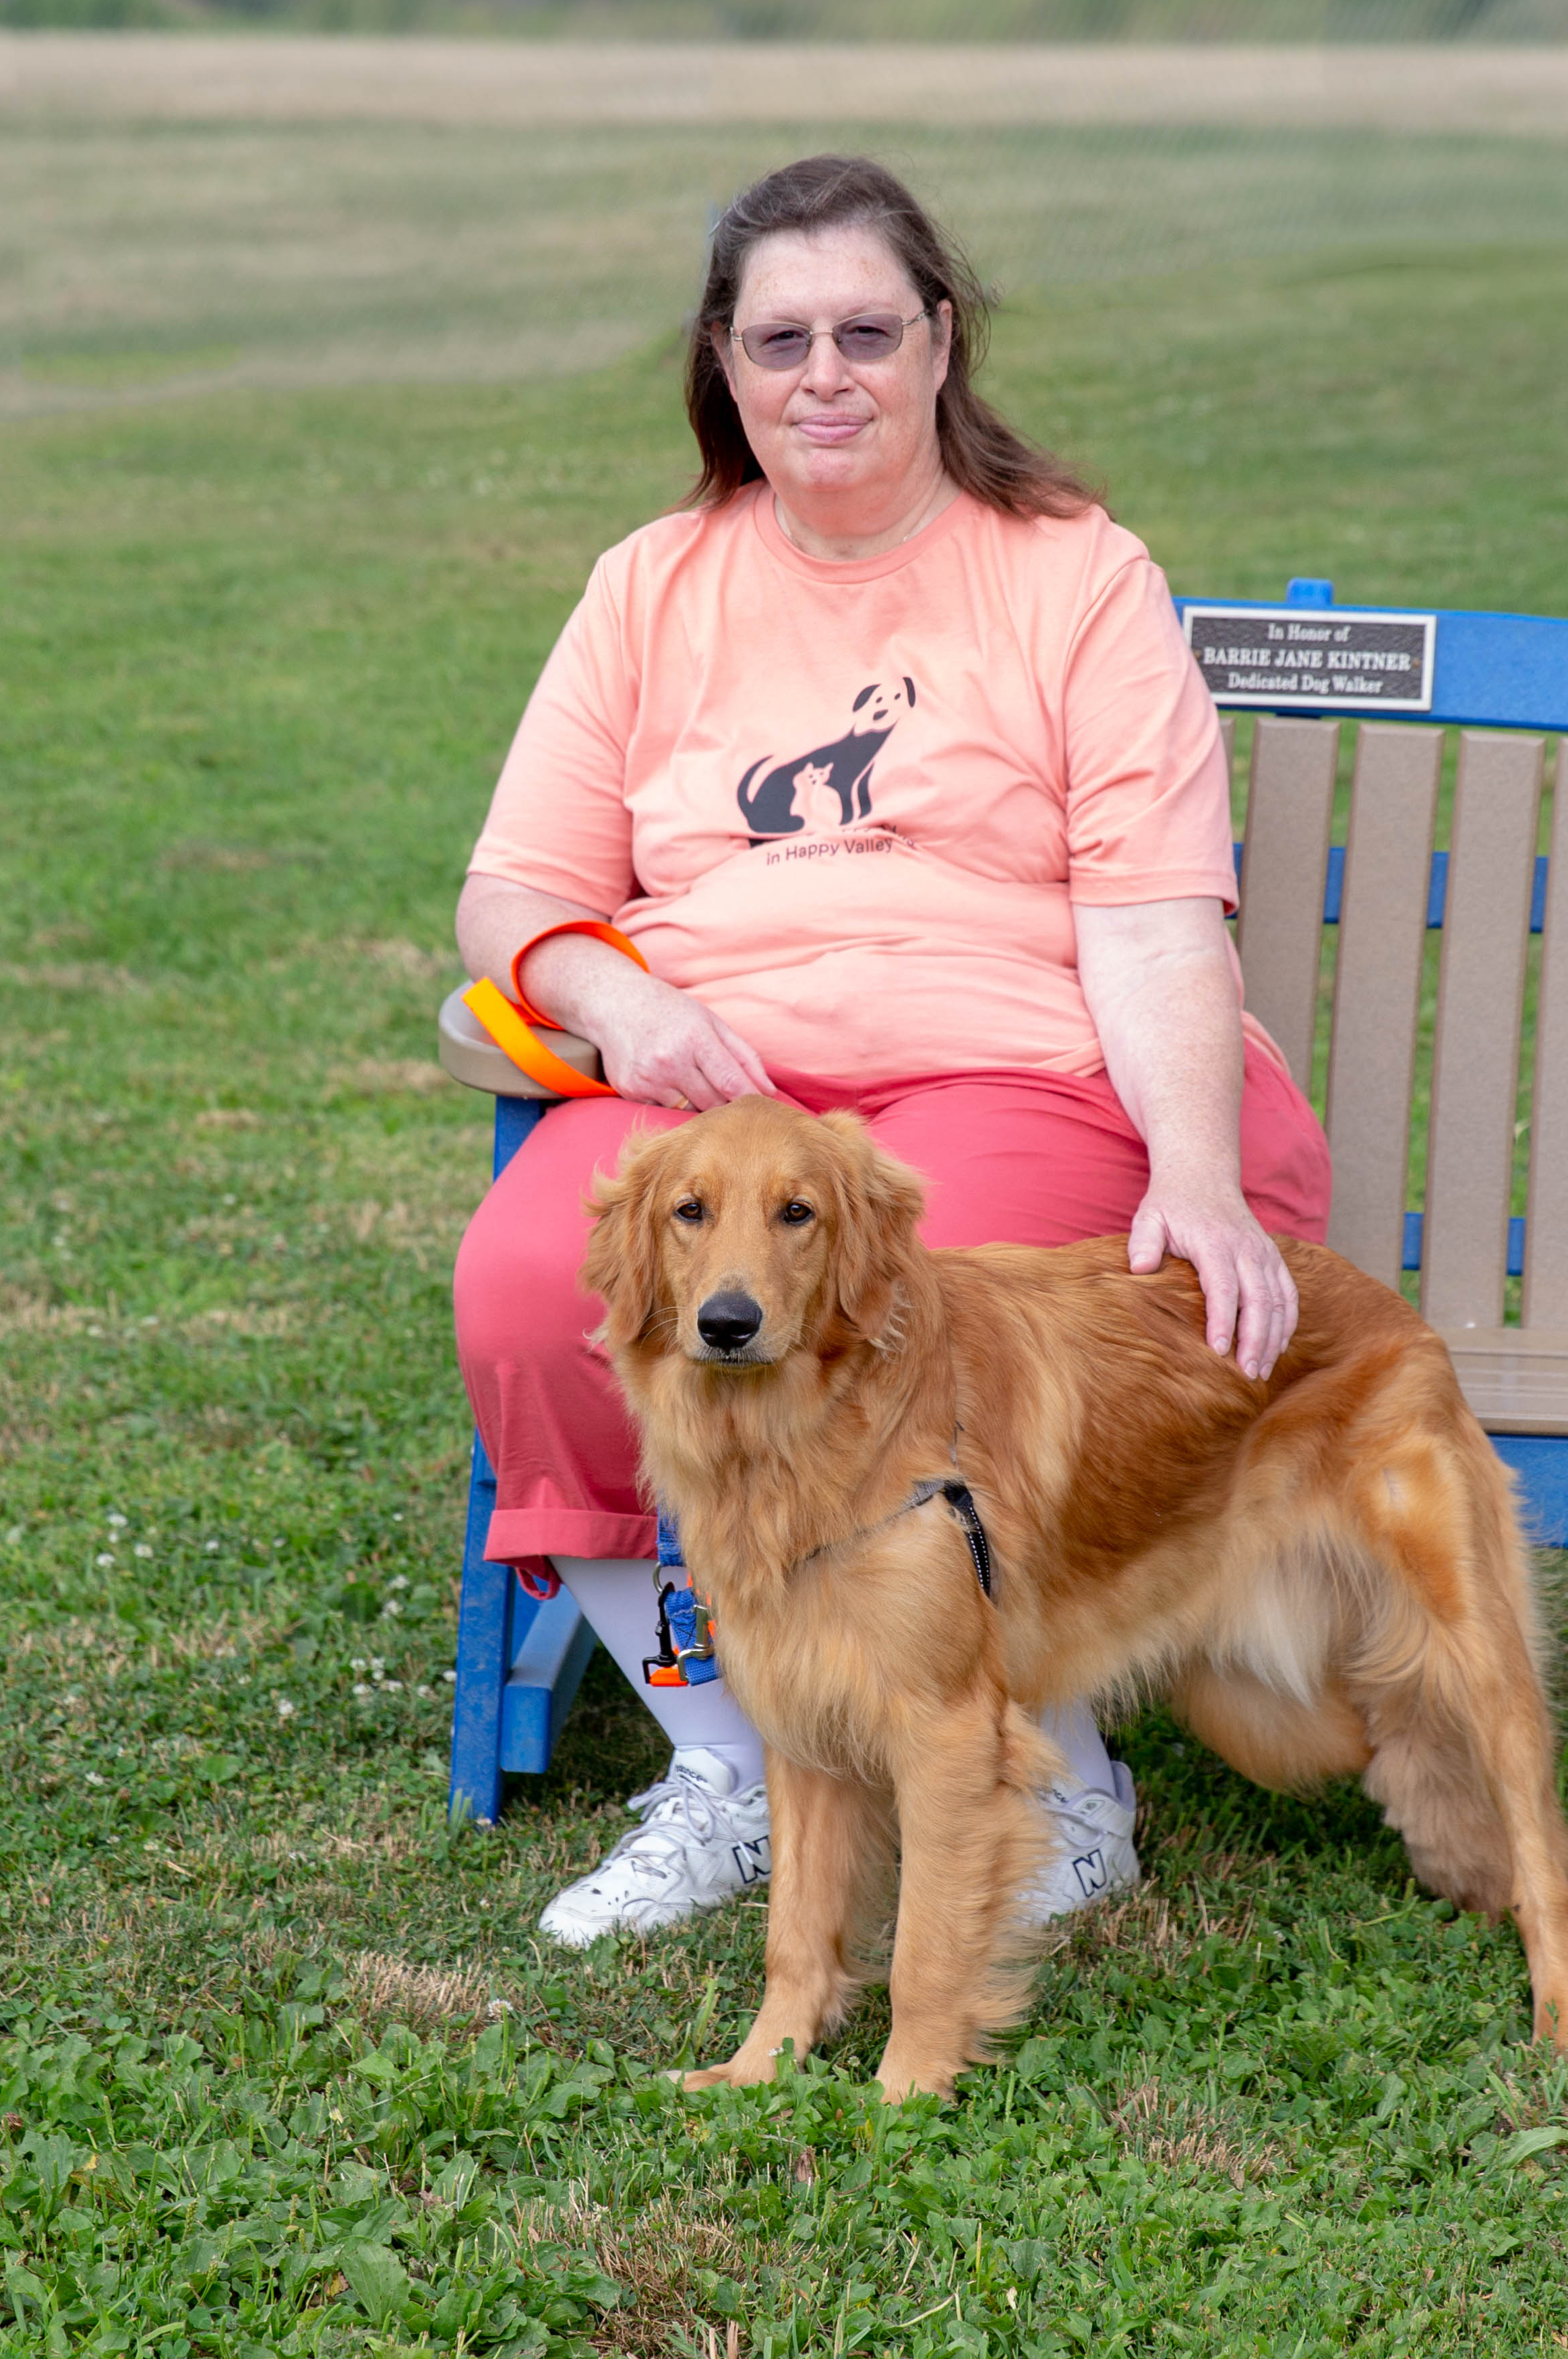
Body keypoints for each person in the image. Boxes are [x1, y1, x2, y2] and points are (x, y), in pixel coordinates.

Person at [452, 154, 1331, 1946]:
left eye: (867, 330)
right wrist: (620, 1004)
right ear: (724, 363)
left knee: (933, 1307)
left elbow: (1156, 907)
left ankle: (1054, 1782)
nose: (824, 375)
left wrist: (1190, 1167)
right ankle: (724, 1767)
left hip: (1008, 1071)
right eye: (781, 339)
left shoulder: (1071, 576)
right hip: (720, 1100)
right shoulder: (650, 586)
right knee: (537, 1278)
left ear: (941, 343)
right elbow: (516, 894)